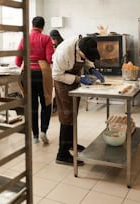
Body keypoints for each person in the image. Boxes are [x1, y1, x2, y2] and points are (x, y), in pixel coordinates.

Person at [52, 36, 105, 166]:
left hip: (73, 81)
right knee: (66, 116)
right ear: (79, 50)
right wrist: (79, 79)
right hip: (62, 82)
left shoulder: (84, 45)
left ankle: (70, 143)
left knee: (73, 114)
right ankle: (62, 154)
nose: (85, 58)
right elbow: (56, 75)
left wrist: (92, 69)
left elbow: (86, 59)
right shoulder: (64, 51)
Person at [15, 16, 54, 144]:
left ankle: (35, 136)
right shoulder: (46, 38)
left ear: (32, 25)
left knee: (32, 106)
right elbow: (50, 59)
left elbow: (17, 61)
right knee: (46, 102)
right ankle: (43, 131)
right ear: (43, 26)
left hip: (27, 74)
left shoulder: (24, 38)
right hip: (42, 74)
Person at [49, 29, 64, 113]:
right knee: (56, 88)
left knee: (57, 88)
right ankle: (56, 105)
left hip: (60, 68)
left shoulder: (61, 45)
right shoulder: (56, 44)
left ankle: (57, 105)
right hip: (57, 68)